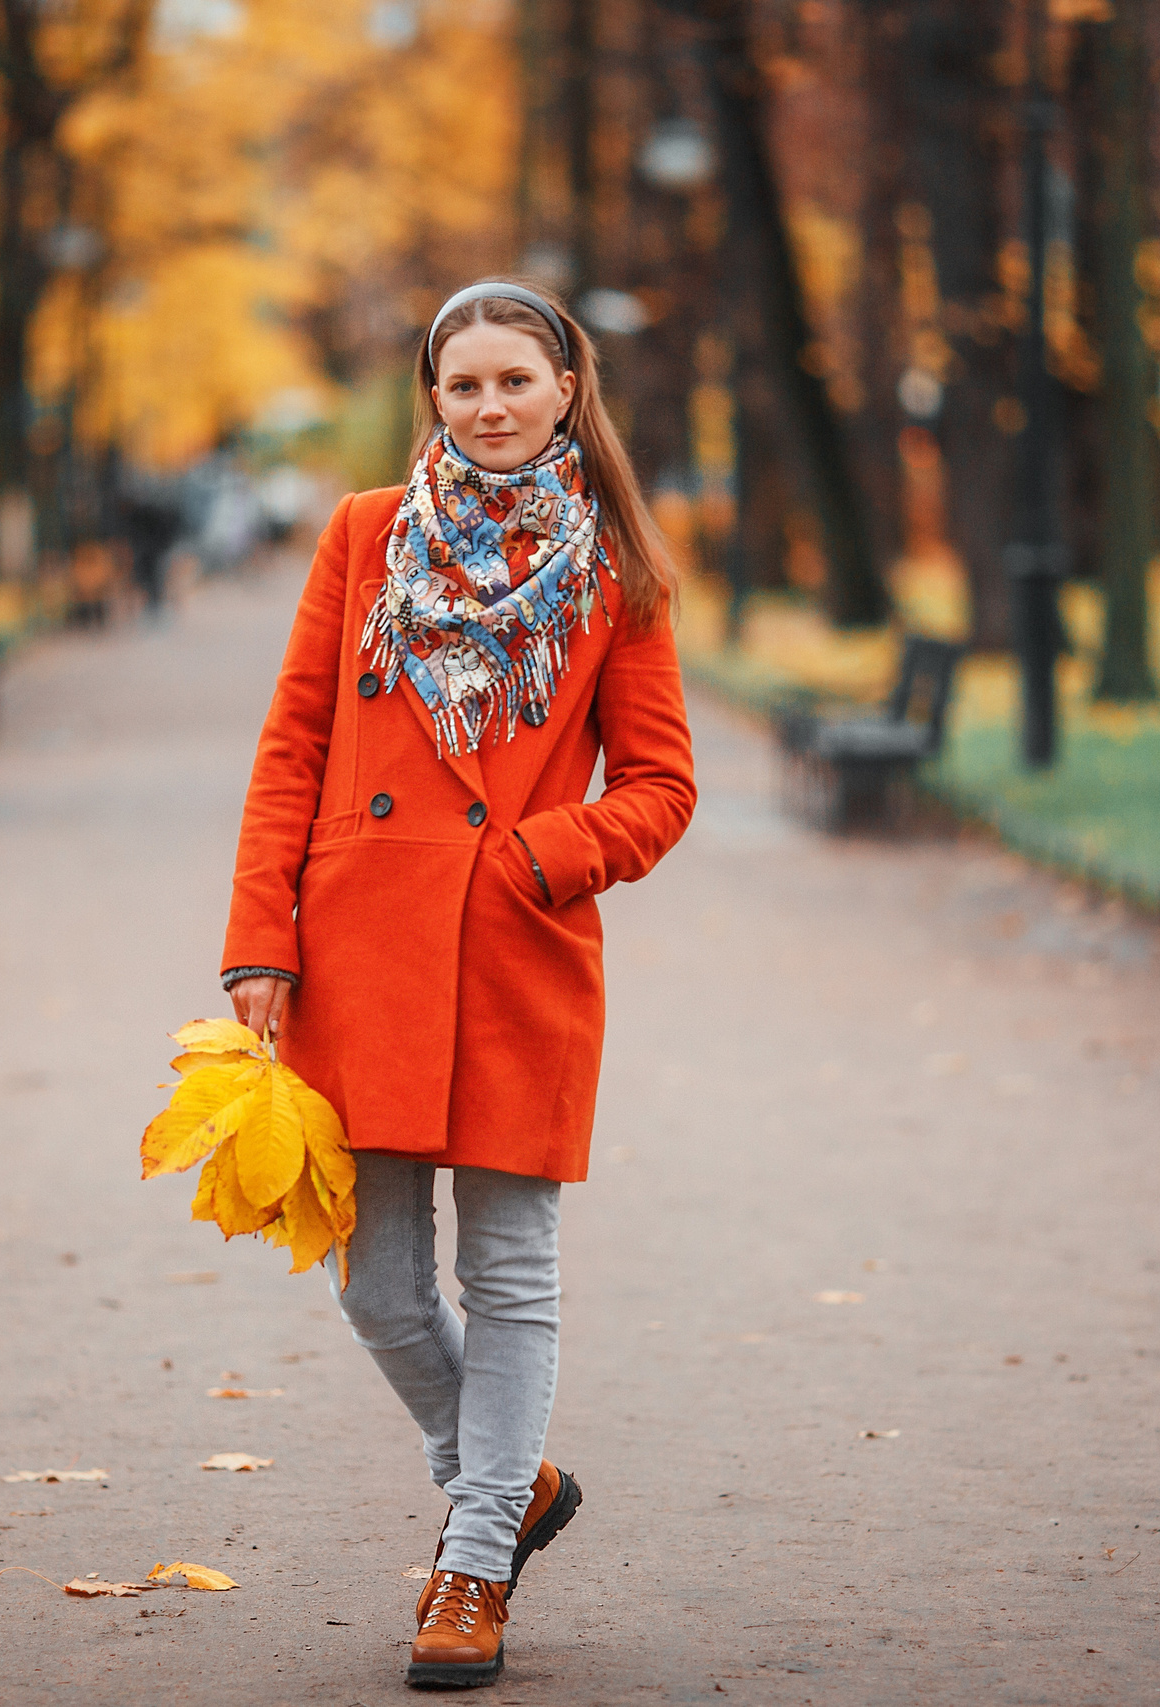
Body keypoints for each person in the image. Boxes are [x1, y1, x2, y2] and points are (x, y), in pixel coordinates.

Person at [216, 279, 696, 1689]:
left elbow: (662, 789)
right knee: (374, 1287)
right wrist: (260, 944)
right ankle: (511, 1479)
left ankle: (475, 1561)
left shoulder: (617, 568)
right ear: (432, 395)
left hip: (515, 950)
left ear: (567, 390)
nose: (489, 406)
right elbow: (293, 746)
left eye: (515, 381)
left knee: (509, 1272)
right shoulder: (366, 536)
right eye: (464, 383)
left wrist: (538, 858)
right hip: (359, 950)